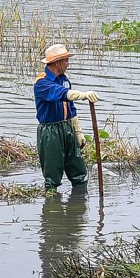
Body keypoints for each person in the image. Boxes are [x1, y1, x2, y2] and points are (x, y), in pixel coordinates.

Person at [33, 43, 94, 193]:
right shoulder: (41, 82)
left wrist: (78, 132)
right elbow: (59, 93)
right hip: (50, 131)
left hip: (67, 128)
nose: (68, 64)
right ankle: (52, 208)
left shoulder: (65, 80)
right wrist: (82, 94)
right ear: (57, 63)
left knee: (78, 170)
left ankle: (79, 206)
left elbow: (71, 108)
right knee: (53, 175)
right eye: (66, 60)